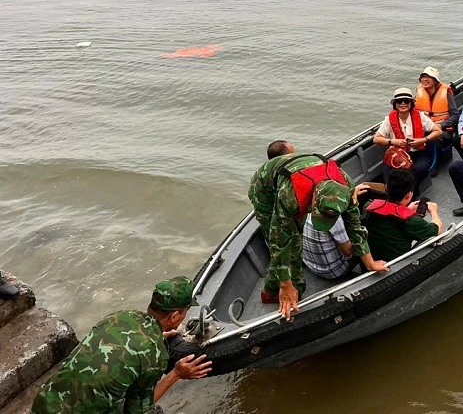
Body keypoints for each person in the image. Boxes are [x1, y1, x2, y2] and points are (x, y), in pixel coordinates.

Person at [32, 277, 212, 414]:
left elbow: (123, 341)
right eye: (184, 313)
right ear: (174, 316)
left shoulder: (120, 316)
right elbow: (137, 411)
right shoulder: (155, 355)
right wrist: (176, 374)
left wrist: (157, 335)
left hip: (43, 404)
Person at [249, 144, 389, 319]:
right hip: (265, 189)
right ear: (313, 198)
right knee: (291, 242)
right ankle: (277, 292)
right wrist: (286, 285)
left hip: (298, 181)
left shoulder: (347, 189)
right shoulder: (289, 196)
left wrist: (370, 263)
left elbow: (355, 227)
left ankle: (284, 289)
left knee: (296, 241)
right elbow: (279, 242)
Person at [374, 87, 442, 198]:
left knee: (418, 170)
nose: (403, 103)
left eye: (406, 101)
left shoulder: (420, 116)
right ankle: (391, 198)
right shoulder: (389, 119)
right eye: (399, 101)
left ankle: (410, 197)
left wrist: (423, 140)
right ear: (395, 104)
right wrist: (393, 141)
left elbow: (438, 131)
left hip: (419, 154)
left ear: (411, 103)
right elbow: (376, 139)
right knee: (387, 171)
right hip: (398, 154)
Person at [364, 169, 443, 262]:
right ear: (408, 195)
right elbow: (438, 231)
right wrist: (434, 211)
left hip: (373, 260)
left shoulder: (368, 207)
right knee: (432, 239)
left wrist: (406, 210)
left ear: (386, 187)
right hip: (399, 265)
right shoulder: (411, 221)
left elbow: (389, 215)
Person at [302, 183, 372, 280]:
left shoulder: (313, 207)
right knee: (365, 235)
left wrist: (351, 194)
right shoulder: (335, 219)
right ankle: (368, 275)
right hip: (333, 271)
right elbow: (348, 251)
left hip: (312, 265)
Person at [415, 66, 459, 146]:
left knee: (434, 139)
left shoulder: (446, 93)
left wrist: (441, 125)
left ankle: (436, 158)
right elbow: (413, 112)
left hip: (443, 129)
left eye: (428, 77)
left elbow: (455, 116)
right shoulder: (419, 92)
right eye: (423, 77)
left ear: (436, 81)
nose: (424, 79)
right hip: (424, 127)